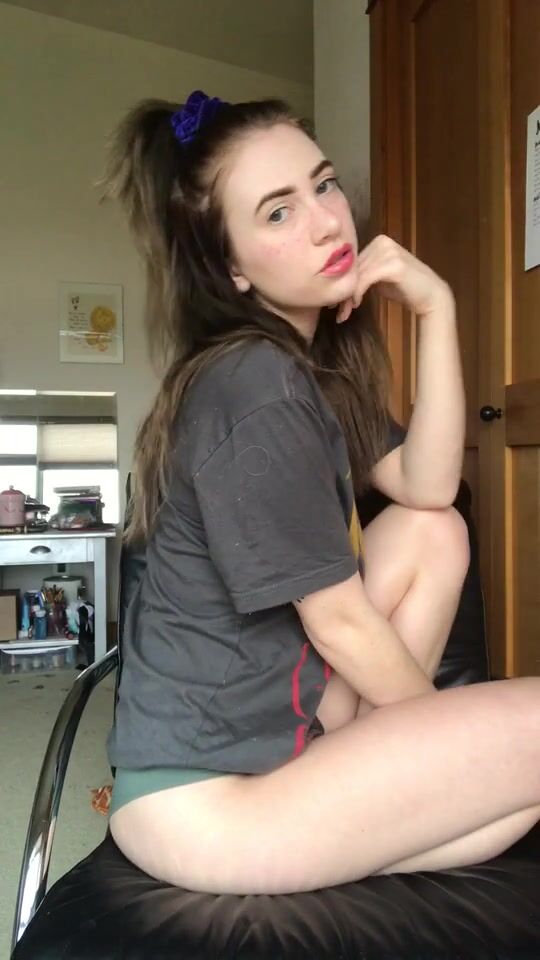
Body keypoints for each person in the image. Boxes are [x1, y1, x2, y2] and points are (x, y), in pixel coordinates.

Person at [103, 90, 540, 896]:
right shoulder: (254, 384)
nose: (327, 222)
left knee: (434, 529)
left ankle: (374, 793)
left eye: (324, 185)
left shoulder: (307, 373)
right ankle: (384, 794)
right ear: (232, 268)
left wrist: (437, 308)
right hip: (207, 805)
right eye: (278, 212)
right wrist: (449, 747)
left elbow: (429, 485)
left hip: (291, 735)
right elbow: (336, 620)